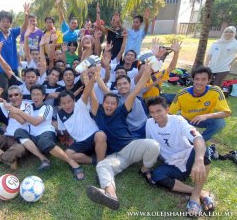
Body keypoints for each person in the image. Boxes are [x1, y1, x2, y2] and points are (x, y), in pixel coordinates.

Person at [86, 63, 160, 210]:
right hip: (117, 156)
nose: (109, 106)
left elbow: (134, 92)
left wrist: (146, 73)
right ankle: (111, 196)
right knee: (102, 166)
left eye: (112, 104)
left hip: (130, 147)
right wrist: (91, 79)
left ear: (117, 104)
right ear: (103, 103)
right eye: (107, 103)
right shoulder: (98, 113)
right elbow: (92, 95)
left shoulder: (121, 111)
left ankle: (144, 169)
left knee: (153, 145)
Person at [146, 96, 214, 216]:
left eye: (158, 111)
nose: (155, 115)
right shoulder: (149, 123)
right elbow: (150, 145)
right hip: (172, 163)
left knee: (204, 152)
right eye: (152, 112)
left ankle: (194, 198)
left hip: (187, 157)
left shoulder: (178, 120)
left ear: (167, 109)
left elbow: (198, 138)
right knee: (157, 176)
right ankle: (200, 192)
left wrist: (198, 160)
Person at [10, 85, 85, 181]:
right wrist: (12, 112)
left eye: (38, 94)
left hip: (46, 133)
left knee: (44, 142)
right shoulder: (29, 107)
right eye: (33, 95)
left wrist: (18, 111)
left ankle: (72, 162)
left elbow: (36, 122)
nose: (35, 97)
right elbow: (23, 121)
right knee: (18, 131)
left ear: (43, 96)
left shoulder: (47, 107)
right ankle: (43, 158)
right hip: (33, 137)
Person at [58, 69, 107, 165]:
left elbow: (87, 90)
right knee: (67, 154)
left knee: (100, 135)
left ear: (73, 101)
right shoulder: (60, 114)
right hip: (80, 142)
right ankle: (94, 161)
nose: (67, 105)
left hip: (94, 136)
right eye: (63, 103)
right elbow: (63, 130)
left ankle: (101, 165)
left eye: (69, 102)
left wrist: (93, 77)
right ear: (60, 104)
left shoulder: (80, 104)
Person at [169, 67, 231, 142]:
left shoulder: (215, 91)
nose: (199, 82)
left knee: (220, 123)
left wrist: (206, 116)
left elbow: (226, 112)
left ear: (209, 80)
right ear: (193, 79)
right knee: (175, 127)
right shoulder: (182, 93)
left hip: (204, 119)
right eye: (197, 79)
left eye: (203, 79)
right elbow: (170, 113)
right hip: (186, 119)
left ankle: (200, 141)